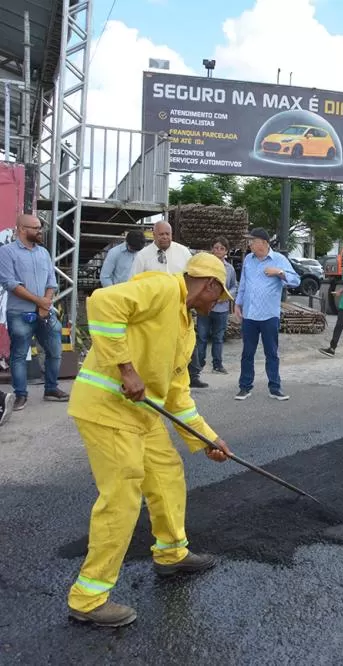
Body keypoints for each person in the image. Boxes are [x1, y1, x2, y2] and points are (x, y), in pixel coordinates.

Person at [65, 252, 235, 628]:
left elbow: (177, 397)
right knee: (123, 495)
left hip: (144, 415)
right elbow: (102, 303)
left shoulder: (186, 329)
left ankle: (172, 553)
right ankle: (88, 597)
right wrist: (126, 369)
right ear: (208, 284)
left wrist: (209, 439)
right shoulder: (160, 288)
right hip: (106, 408)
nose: (216, 305)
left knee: (167, 475)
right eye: (218, 297)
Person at [0, 214, 70, 411]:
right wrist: (39, 301)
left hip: (45, 311)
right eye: (36, 227)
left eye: (40, 227)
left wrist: (45, 302)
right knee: (19, 354)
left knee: (55, 351)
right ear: (22, 229)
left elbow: (51, 281)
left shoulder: (44, 253)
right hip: (19, 312)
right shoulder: (7, 252)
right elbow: (11, 284)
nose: (40, 231)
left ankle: (51, 388)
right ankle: (21, 395)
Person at [233, 228, 299, 401]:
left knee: (271, 353)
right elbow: (243, 284)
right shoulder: (248, 259)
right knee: (247, 352)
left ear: (263, 242)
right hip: (249, 314)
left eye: (252, 241)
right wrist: (238, 304)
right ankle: (245, 387)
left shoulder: (279, 259)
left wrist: (279, 272)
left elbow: (296, 280)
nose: (250, 244)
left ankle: (275, 388)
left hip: (269, 315)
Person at [189, 236, 238, 387]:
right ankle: (199, 365)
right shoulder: (205, 267)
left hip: (221, 308)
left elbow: (234, 286)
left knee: (218, 337)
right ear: (212, 249)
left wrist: (224, 296)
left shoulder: (229, 269)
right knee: (202, 337)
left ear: (226, 252)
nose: (218, 251)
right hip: (205, 308)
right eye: (216, 248)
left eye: (222, 248)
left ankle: (218, 364)